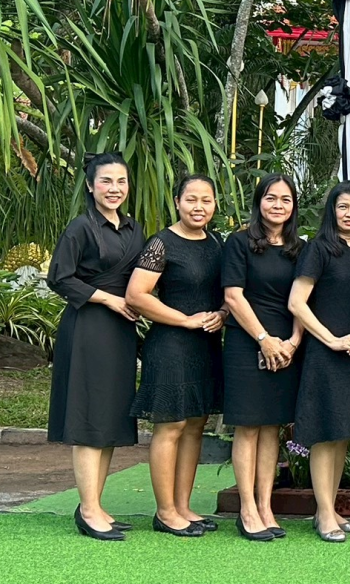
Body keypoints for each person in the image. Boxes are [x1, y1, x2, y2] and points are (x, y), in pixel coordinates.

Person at [47, 153, 145, 541]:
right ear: (90, 185)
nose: (114, 189)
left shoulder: (134, 230)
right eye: (106, 181)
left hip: (121, 332)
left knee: (109, 417)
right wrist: (106, 299)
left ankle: (97, 504)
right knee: (90, 418)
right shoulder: (80, 228)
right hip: (88, 327)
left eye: (121, 181)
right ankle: (88, 510)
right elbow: (60, 277)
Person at [126, 175, 226, 538]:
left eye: (207, 200)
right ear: (177, 201)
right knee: (171, 426)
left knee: (196, 425)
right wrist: (185, 320)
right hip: (170, 345)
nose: (199, 207)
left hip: (206, 345)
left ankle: (183, 506)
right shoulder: (161, 244)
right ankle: (165, 511)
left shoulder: (216, 242)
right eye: (192, 200)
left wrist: (222, 315)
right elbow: (137, 295)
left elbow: (224, 293)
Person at [287, 181, 350, 544]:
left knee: (341, 434)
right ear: (331, 211)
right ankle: (323, 514)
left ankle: (333, 507)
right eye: (343, 207)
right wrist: (333, 340)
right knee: (324, 435)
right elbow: (297, 303)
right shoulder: (318, 249)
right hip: (326, 353)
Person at [222, 173, 305, 542]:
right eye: (271, 198)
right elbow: (233, 297)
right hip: (247, 343)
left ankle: (266, 505)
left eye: (286, 200)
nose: (278, 206)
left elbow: (306, 300)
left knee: (272, 427)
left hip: (286, 345)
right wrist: (264, 339)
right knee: (249, 425)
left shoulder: (300, 248)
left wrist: (292, 342)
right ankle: (247, 508)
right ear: (259, 202)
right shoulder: (239, 243)